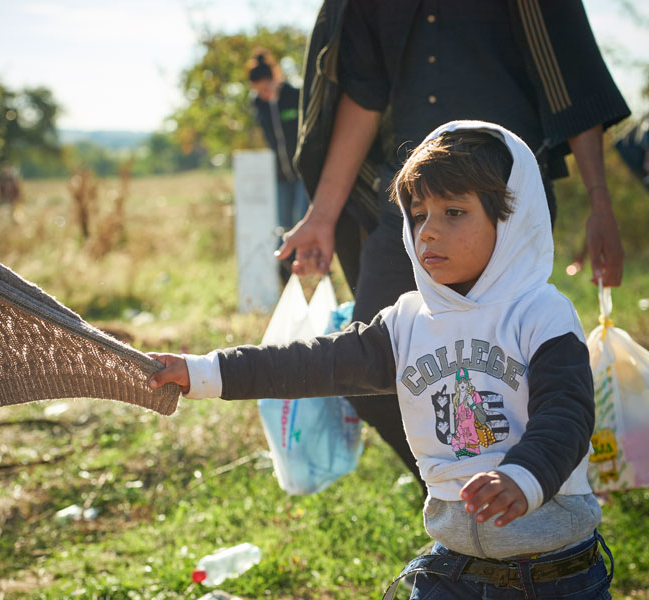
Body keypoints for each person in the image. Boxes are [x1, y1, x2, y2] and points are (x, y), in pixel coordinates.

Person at [148, 121, 613, 598]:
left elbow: (567, 415)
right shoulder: (407, 321)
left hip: (555, 574)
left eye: (454, 212)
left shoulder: (541, 314)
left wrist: (523, 476)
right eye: (419, 213)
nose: (428, 232)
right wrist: (203, 371)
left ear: (510, 220)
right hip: (453, 570)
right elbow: (311, 363)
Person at [282, 0, 631, 488]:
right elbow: (362, 96)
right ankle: (459, 501)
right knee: (368, 374)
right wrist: (320, 217)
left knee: (508, 371)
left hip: (497, 205)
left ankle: (528, 492)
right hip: (408, 200)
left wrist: (600, 202)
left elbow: (570, 74)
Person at [246, 50, 309, 259]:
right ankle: (286, 268)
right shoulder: (258, 104)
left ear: (275, 79)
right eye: (257, 91)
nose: (262, 94)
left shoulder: (294, 96)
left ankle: (310, 264)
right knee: (282, 224)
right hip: (280, 175)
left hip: (301, 172)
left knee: (302, 220)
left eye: (265, 88)